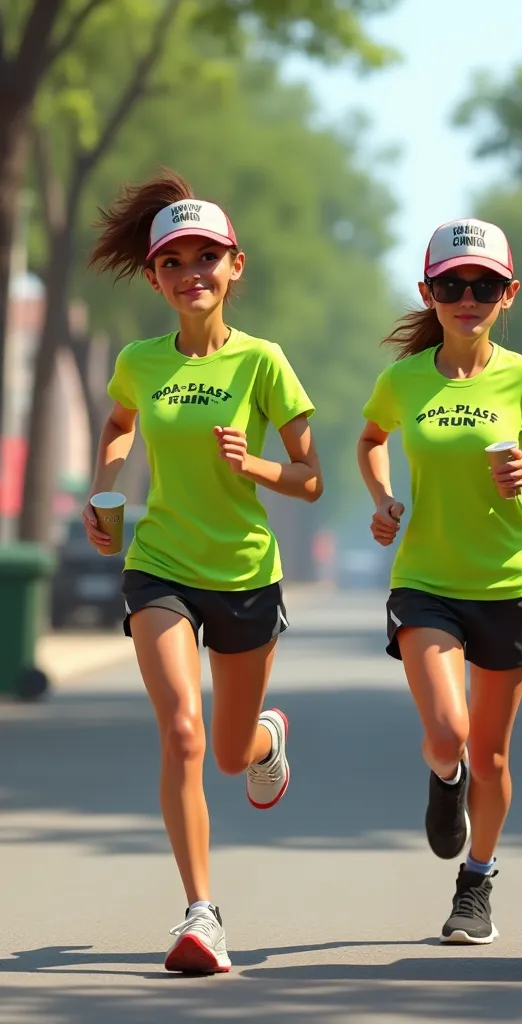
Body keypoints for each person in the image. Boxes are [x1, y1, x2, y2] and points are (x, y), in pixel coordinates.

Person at [83, 171, 322, 973]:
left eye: (207, 258)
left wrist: (252, 461)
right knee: (182, 732)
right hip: (161, 568)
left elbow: (311, 477)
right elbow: (119, 423)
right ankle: (201, 913)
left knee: (225, 750)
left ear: (236, 267)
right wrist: (107, 485)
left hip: (249, 575)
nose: (193, 275)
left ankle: (264, 740)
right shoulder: (138, 362)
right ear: (155, 277)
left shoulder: (264, 363)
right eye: (175, 262)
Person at [357, 218, 522, 945]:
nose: (468, 297)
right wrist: (382, 499)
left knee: (493, 757)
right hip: (427, 581)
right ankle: (444, 777)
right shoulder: (403, 379)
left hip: (509, 585)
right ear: (428, 292)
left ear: (509, 293)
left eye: (485, 285)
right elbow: (371, 439)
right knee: (448, 733)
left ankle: (477, 882)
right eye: (452, 284)